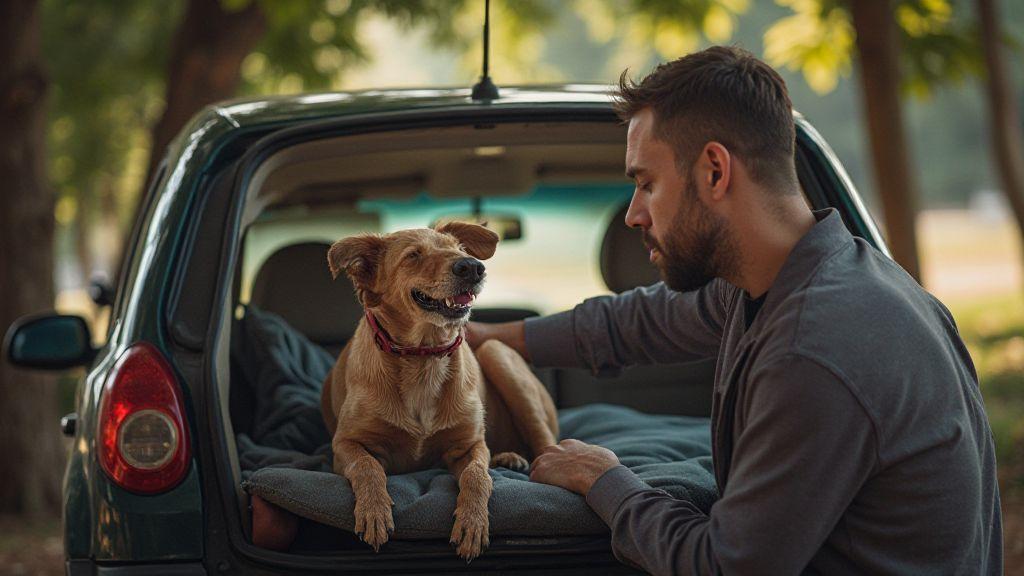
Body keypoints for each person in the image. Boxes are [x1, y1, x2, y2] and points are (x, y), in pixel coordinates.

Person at [466, 46, 1002, 575]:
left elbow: (724, 566)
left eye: (647, 184)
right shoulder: (803, 278)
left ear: (715, 171)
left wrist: (604, 478)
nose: (633, 214)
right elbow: (639, 322)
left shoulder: (815, 349)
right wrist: (481, 336)